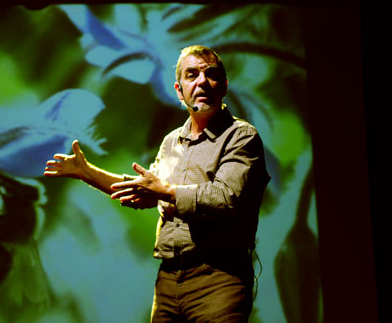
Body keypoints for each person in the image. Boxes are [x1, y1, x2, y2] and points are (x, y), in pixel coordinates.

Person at [44, 45, 270, 322]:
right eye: (191, 75)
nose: (201, 81)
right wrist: (85, 171)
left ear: (223, 86)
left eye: (210, 74)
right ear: (179, 91)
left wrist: (166, 190)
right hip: (169, 279)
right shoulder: (171, 141)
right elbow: (143, 191)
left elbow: (226, 198)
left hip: (219, 278)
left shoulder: (241, 136)